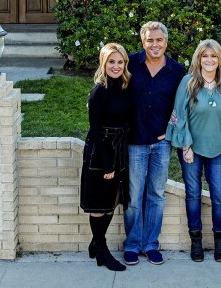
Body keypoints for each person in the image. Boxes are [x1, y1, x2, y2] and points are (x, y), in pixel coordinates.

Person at [124, 21, 187, 266]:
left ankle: (151, 245)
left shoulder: (176, 71)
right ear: (143, 41)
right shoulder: (130, 64)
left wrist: (171, 130)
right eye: (150, 40)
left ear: (166, 42)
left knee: (156, 195)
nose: (155, 44)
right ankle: (132, 244)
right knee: (133, 196)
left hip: (161, 143)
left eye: (159, 40)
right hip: (135, 141)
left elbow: (182, 106)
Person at [166, 39, 221, 263]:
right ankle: (196, 242)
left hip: (219, 149)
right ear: (198, 58)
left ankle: (219, 242)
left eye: (214, 56)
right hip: (192, 150)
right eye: (205, 56)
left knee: (219, 198)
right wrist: (186, 146)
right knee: (193, 195)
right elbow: (179, 115)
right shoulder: (189, 82)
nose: (209, 60)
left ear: (219, 59)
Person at [80, 43, 132, 272]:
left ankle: (95, 243)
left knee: (112, 200)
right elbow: (94, 129)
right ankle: (102, 250)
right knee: (99, 203)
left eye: (120, 62)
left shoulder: (124, 86)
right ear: (103, 63)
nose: (116, 66)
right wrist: (106, 162)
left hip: (119, 148)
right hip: (101, 150)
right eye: (111, 61)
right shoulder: (99, 90)